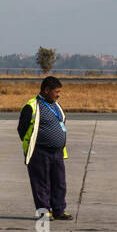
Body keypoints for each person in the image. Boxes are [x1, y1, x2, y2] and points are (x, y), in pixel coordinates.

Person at [18, 76, 71, 220]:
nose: (59, 95)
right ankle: (44, 212)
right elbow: (22, 130)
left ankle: (59, 210)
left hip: (57, 152)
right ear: (47, 90)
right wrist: (33, 145)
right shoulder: (32, 106)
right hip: (39, 152)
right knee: (41, 184)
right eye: (57, 92)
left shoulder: (56, 105)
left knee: (59, 183)